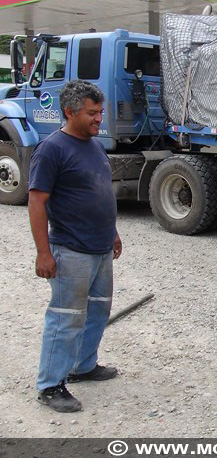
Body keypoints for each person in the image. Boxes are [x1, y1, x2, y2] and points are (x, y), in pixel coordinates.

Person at [29, 80, 122, 413]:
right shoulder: (52, 149)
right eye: (92, 113)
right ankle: (50, 385)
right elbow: (37, 202)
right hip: (70, 250)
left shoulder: (94, 146)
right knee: (66, 317)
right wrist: (43, 252)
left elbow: (100, 193)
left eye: (100, 112)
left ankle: (83, 365)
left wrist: (112, 232)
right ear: (69, 112)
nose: (99, 119)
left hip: (100, 248)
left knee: (97, 309)